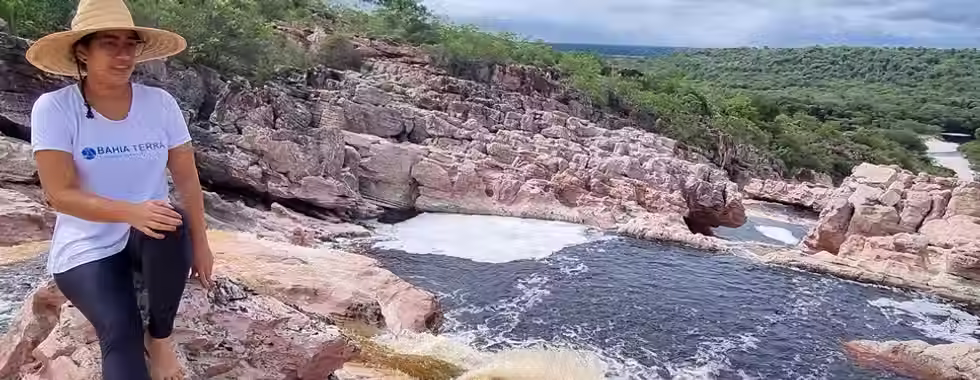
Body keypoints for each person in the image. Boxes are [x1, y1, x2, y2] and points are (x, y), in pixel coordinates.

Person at [25, 0, 214, 379]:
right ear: (83, 50)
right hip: (86, 246)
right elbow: (58, 195)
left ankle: (160, 338)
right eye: (109, 43)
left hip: (151, 237)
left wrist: (201, 242)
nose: (123, 54)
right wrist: (131, 211)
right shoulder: (56, 108)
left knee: (171, 219)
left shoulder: (159, 104)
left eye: (130, 44)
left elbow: (186, 175)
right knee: (120, 330)